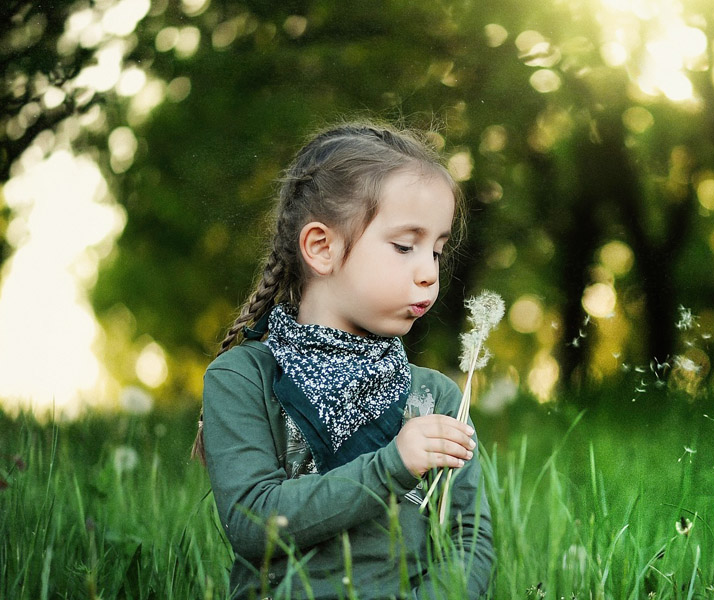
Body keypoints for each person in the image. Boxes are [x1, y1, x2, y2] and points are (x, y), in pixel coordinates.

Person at [193, 123, 494, 599]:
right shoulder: (242, 378)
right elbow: (254, 525)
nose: (428, 274)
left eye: (436, 251)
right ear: (321, 247)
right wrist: (393, 463)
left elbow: (470, 542)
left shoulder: (437, 398)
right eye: (404, 247)